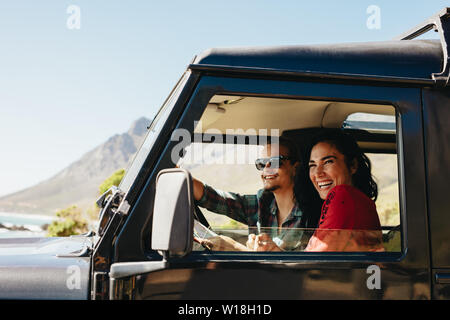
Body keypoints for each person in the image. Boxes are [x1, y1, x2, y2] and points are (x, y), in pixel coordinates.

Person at [192, 136, 318, 251]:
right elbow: (212, 197)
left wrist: (235, 248)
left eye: (274, 161)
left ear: (295, 167)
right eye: (261, 163)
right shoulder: (261, 203)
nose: (266, 168)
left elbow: (303, 267)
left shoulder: (312, 214)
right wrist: (180, 176)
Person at [301, 130, 384, 252]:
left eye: (328, 161)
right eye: (312, 165)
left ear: (353, 165)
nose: (318, 173)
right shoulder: (354, 199)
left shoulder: (343, 195)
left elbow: (318, 259)